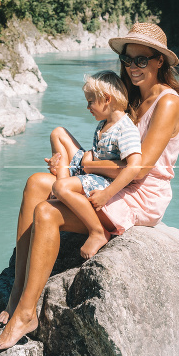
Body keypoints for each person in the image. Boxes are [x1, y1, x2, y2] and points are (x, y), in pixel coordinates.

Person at [0, 22, 179, 350]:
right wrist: (68, 162)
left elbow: (137, 170)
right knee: (37, 183)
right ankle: (16, 295)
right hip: (115, 181)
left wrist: (81, 164)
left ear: (158, 62)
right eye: (128, 59)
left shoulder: (167, 102)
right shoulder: (132, 97)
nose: (132, 67)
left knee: (47, 213)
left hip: (141, 193)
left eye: (141, 60)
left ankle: (26, 314)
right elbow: (112, 152)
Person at [50, 70, 142, 259]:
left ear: (106, 99)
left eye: (91, 101)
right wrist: (58, 162)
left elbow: (134, 166)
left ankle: (97, 232)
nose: (88, 107)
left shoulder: (126, 129)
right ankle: (61, 184)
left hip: (104, 182)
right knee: (57, 132)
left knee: (61, 187)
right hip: (91, 171)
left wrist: (107, 194)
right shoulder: (104, 124)